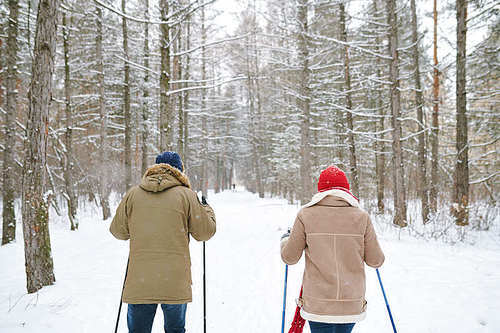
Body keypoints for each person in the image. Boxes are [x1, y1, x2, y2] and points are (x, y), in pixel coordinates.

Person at [110, 151, 216, 333]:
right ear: (180, 171)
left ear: (153, 169)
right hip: (174, 281)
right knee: (175, 330)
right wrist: (206, 209)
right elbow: (204, 233)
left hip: (140, 282)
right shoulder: (187, 195)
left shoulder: (133, 195)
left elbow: (118, 231)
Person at [280, 165, 385, 333]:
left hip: (318, 304)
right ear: (346, 189)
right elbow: (376, 260)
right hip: (350, 302)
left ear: (320, 190)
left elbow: (289, 258)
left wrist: (285, 240)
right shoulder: (361, 217)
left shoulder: (306, 215)